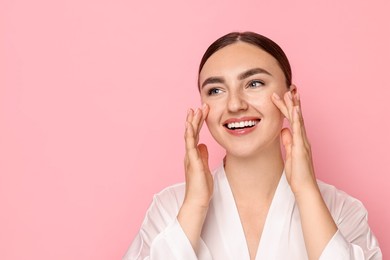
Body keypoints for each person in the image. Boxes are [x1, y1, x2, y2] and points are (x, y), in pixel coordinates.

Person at [123, 32, 382, 260]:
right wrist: (195, 206)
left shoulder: (341, 209)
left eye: (254, 83)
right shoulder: (171, 206)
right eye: (215, 90)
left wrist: (305, 191)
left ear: (290, 97)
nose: (235, 104)